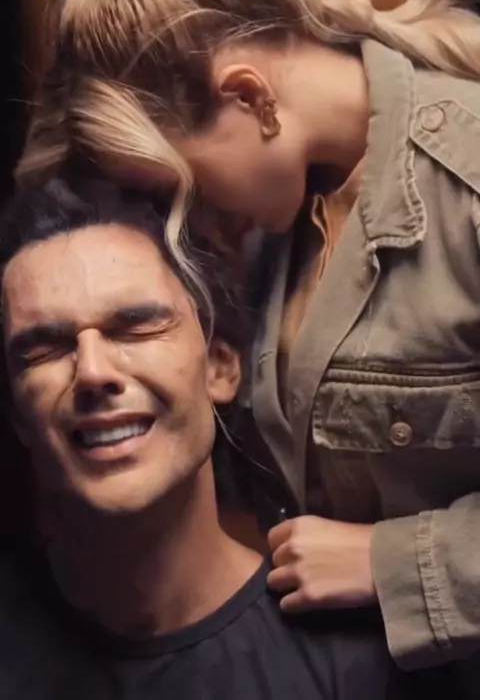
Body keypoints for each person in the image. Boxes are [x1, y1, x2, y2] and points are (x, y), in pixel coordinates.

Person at [15, 0, 480, 690]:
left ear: (249, 96)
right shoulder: (284, 219)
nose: (189, 218)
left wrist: (399, 565)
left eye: (186, 185)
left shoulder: (465, 186)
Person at [0, 176, 414, 700]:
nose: (93, 372)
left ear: (220, 367)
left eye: (136, 327)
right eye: (45, 349)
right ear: (18, 413)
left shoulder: (360, 658)